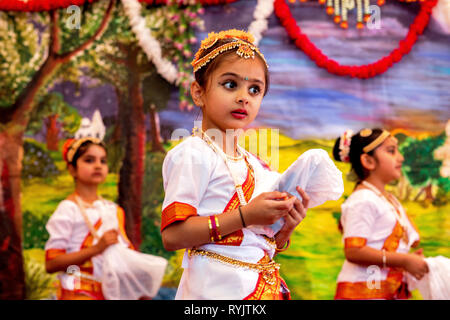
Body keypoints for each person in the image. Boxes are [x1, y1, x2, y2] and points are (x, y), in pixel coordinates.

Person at [160, 29, 310, 300]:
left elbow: (260, 242)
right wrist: (246, 216)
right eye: (231, 85)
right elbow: (172, 236)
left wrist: (287, 227)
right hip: (213, 290)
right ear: (198, 92)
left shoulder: (258, 166)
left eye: (255, 89)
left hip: (259, 287)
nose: (244, 97)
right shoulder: (192, 154)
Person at [332, 128, 429, 300]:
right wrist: (404, 261)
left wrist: (407, 259)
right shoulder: (363, 199)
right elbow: (354, 251)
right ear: (368, 161)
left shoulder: (388, 199)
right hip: (365, 290)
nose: (401, 158)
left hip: (387, 290)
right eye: (391, 151)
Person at [45, 137, 134, 300]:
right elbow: (51, 264)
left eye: (103, 161)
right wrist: (97, 249)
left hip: (110, 291)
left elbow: (126, 251)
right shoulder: (68, 209)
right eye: (89, 160)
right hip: (76, 291)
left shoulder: (113, 210)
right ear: (72, 169)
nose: (98, 165)